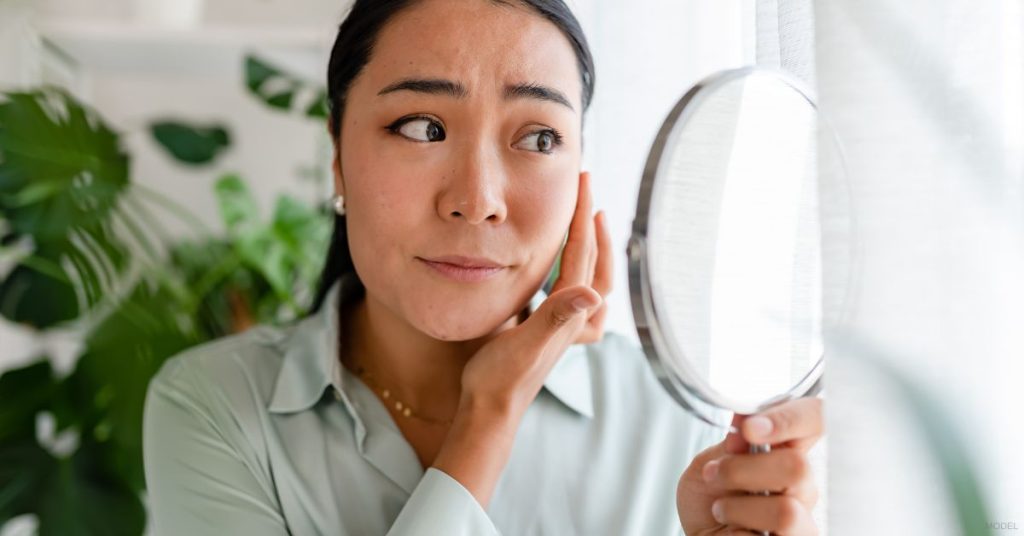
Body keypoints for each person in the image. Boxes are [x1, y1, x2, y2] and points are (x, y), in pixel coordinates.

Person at [142, 0, 823, 534]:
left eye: (539, 137)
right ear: (338, 155)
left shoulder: (678, 429)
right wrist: (488, 417)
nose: (477, 201)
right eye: (421, 128)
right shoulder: (216, 406)